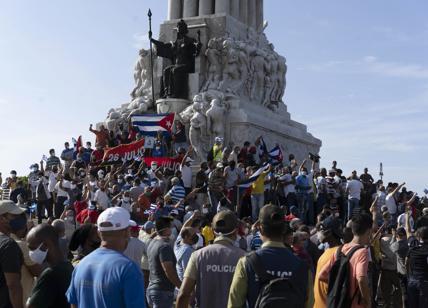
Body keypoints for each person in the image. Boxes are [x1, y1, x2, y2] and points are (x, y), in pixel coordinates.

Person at [228, 205, 310, 308]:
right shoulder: (302, 266)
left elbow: (234, 304)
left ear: (260, 229)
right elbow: (309, 303)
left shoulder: (246, 263)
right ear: (284, 230)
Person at [66, 207, 146, 307]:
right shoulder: (129, 268)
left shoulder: (81, 264)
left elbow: (74, 304)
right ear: (126, 232)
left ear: (99, 233)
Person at [177, 210, 246, 308]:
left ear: (213, 231)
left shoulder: (198, 255)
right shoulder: (244, 258)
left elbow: (183, 294)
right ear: (235, 231)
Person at [319, 213, 373, 308]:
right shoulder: (362, 252)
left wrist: (338, 286)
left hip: (338, 303)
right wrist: (368, 302)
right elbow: (361, 279)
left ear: (352, 230)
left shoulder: (340, 249)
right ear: (369, 231)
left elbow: (322, 275)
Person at [26, 223, 73, 308]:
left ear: (46, 245)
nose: (30, 253)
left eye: (32, 248)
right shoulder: (69, 266)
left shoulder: (50, 274)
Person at [146, 216, 181, 308]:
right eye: (170, 226)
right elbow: (168, 270)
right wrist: (181, 286)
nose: (172, 229)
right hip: (162, 291)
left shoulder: (151, 242)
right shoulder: (164, 247)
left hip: (153, 288)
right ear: (167, 229)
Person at [0, 200, 26, 308]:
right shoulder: (8, 245)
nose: (19, 219)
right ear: (2, 218)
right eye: (14, 216)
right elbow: (13, 286)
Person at [313, 216, 343, 308]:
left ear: (329, 232)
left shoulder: (338, 254)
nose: (318, 233)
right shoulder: (332, 251)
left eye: (321, 230)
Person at [406, 226, 428, 308]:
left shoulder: (413, 248)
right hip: (425, 282)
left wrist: (409, 275)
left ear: (419, 236)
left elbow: (406, 262)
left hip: (413, 280)